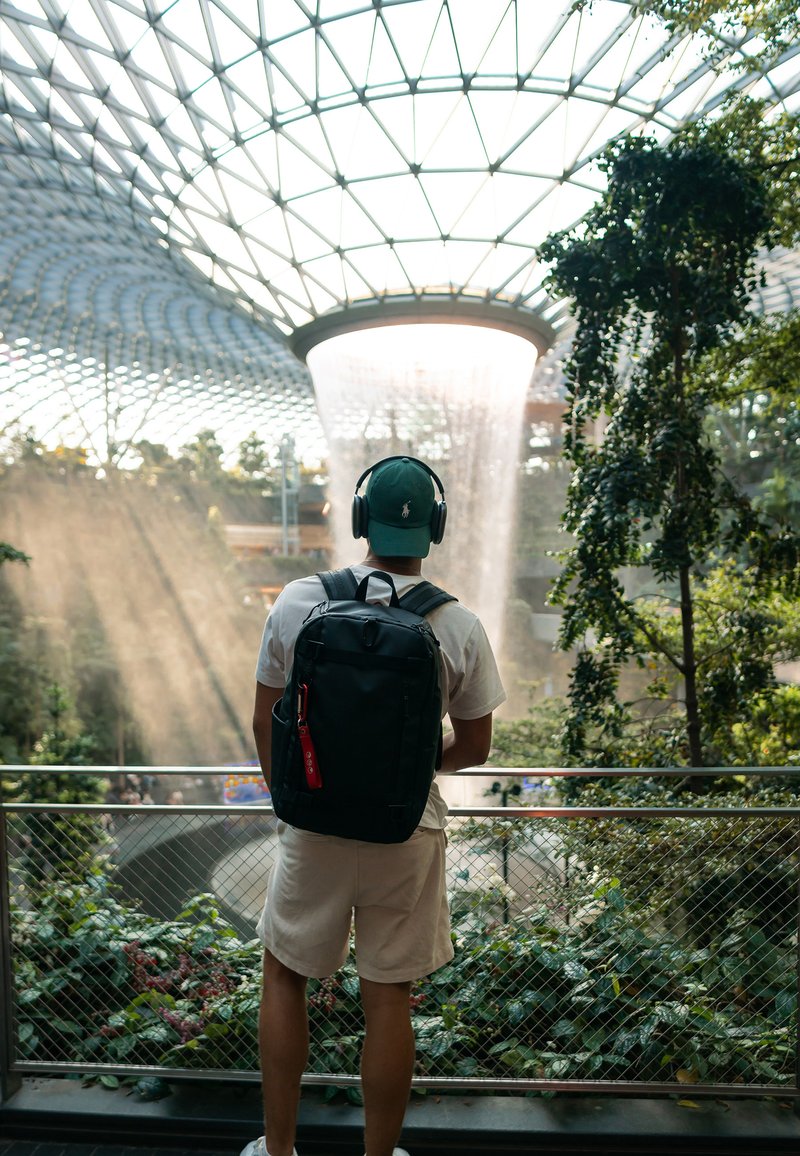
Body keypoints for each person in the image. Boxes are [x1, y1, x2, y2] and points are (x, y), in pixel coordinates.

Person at [242, 456, 506, 1156]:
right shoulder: (458, 625)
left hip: (315, 825)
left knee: (283, 973)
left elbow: (266, 713)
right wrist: (416, 768)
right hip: (405, 828)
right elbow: (475, 746)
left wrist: (291, 797)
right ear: (435, 527)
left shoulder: (299, 601)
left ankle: (278, 1151)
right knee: (388, 996)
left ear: (361, 521)